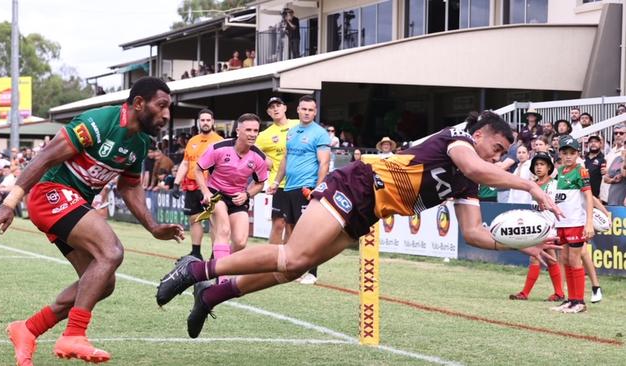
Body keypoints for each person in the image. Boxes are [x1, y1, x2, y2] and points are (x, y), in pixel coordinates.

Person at [154, 111, 562, 338]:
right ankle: (196, 270)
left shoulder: (471, 178)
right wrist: (529, 186)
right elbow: (478, 165)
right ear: (480, 134)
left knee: (293, 269)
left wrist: (522, 244)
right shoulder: (458, 141)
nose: (497, 157)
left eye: (504, 153)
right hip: (357, 182)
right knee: (293, 254)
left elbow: (474, 232)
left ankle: (212, 297)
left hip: (370, 211)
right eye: (497, 148)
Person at [0, 77, 185, 364]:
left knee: (103, 283)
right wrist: (9, 203)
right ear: (139, 103)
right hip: (49, 195)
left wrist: (153, 227)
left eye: (169, 107)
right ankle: (74, 335)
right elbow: (44, 158)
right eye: (162, 105)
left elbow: (129, 187)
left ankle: (27, 329)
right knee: (111, 251)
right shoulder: (100, 121)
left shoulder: (140, 143)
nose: (167, 114)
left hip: (72, 206)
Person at [171, 113, 268, 287]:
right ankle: (221, 278)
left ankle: (213, 265)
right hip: (216, 194)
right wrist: (206, 192)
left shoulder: (259, 157)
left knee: (240, 242)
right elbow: (199, 170)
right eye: (248, 130)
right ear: (238, 131)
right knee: (223, 230)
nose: (253, 134)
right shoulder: (219, 148)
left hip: (238, 197)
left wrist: (247, 194)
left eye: (256, 130)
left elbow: (260, 183)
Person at [267, 95, 330, 285]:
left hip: (307, 187)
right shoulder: (292, 132)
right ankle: (296, 269)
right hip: (289, 187)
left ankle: (313, 272)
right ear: (298, 110)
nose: (307, 112)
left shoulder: (320, 133)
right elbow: (285, 160)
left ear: (315, 111)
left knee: (309, 232)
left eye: (311, 110)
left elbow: (324, 162)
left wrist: (317, 189)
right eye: (304, 109)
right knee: (292, 229)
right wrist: (277, 182)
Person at [509, 152, 564, 301]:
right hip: (537, 227)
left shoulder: (554, 183)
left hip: (547, 227)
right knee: (550, 259)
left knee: (536, 258)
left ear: (549, 167)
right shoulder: (533, 185)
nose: (539, 167)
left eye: (542, 164)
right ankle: (559, 293)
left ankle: (525, 293)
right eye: (536, 165)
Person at [549, 135, 593, 313]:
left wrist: (588, 222)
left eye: (572, 153)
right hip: (562, 223)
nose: (568, 156)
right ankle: (571, 300)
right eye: (565, 153)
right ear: (560, 154)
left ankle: (580, 301)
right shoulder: (560, 172)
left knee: (575, 260)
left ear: (577, 154)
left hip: (575, 222)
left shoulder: (581, 171)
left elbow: (589, 197)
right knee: (565, 259)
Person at [171, 109, 223, 259]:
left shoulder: (219, 141)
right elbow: (185, 163)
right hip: (192, 185)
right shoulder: (192, 141)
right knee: (194, 219)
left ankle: (215, 254)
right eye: (202, 120)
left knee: (214, 221)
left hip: (211, 186)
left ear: (213, 122)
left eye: (208, 120)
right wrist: (176, 183)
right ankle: (196, 252)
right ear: (199, 122)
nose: (205, 123)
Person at [255, 97, 299, 245]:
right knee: (278, 223)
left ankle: (288, 262)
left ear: (285, 108)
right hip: (279, 184)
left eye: (278, 105)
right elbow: (252, 153)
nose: (275, 109)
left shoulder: (298, 124)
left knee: (292, 225)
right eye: (271, 107)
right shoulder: (264, 135)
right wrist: (264, 160)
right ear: (268, 112)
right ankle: (271, 261)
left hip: (299, 181)